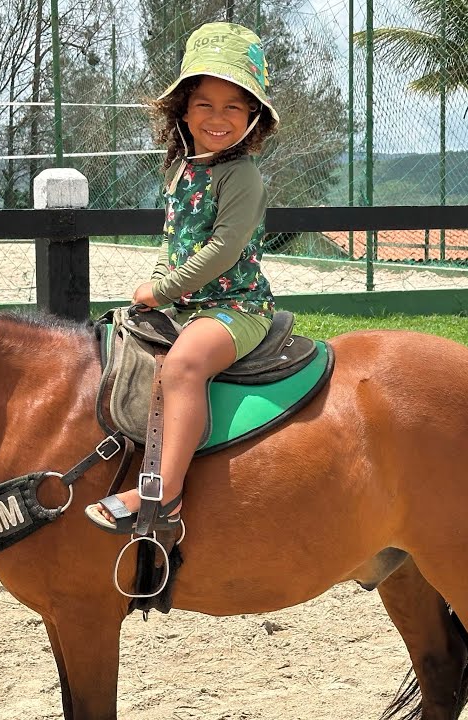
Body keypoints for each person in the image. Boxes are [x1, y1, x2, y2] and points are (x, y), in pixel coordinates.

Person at [85, 22, 279, 534]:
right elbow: (172, 242)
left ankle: (164, 493)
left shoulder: (243, 177)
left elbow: (222, 250)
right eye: (205, 105)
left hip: (235, 307)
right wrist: (154, 288)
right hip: (187, 303)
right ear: (183, 112)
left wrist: (165, 289)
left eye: (234, 107)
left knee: (186, 364)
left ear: (253, 118)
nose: (218, 118)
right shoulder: (182, 170)